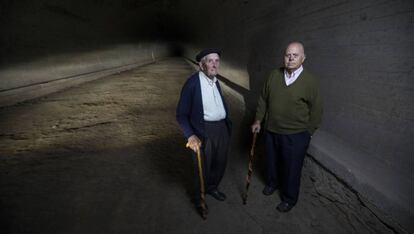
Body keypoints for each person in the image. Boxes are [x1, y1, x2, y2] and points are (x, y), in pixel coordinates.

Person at [251, 41, 322, 212]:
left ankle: (289, 198)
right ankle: (272, 183)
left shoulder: (310, 81)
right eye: (287, 54)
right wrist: (258, 120)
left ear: (303, 58)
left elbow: (317, 110)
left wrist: (308, 133)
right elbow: (263, 99)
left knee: (292, 168)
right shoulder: (274, 75)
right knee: (271, 161)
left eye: (295, 55)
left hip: (296, 135)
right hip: (272, 130)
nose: (290, 58)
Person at [176, 48, 232, 215]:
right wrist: (191, 135)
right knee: (202, 167)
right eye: (210, 61)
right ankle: (199, 197)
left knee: (219, 162)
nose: (214, 64)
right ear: (201, 65)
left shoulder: (216, 81)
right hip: (203, 131)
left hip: (221, 129)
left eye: (217, 61)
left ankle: (212, 188)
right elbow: (181, 114)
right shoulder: (192, 84)